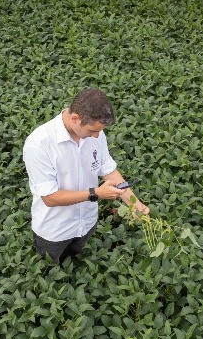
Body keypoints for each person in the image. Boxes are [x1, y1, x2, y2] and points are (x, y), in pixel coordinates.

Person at [22, 88, 150, 265]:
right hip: (54, 231)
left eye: (100, 131)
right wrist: (95, 193)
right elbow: (50, 198)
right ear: (75, 118)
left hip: (87, 222)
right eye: (92, 130)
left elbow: (107, 169)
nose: (97, 136)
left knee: (77, 257)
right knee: (51, 269)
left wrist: (134, 203)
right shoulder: (39, 144)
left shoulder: (96, 134)